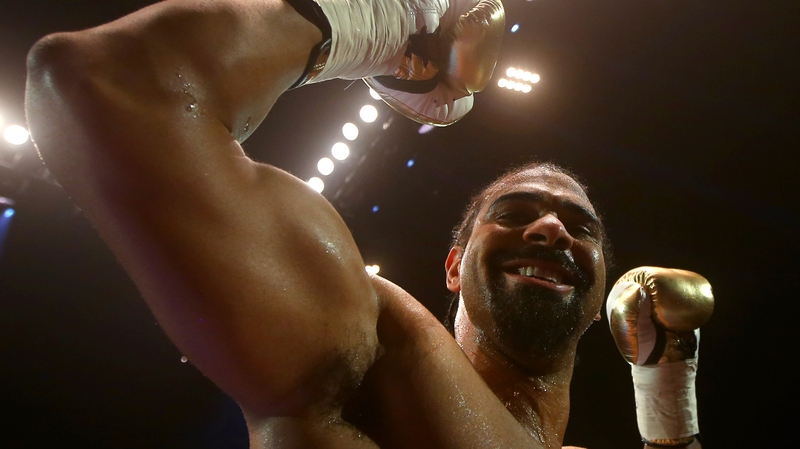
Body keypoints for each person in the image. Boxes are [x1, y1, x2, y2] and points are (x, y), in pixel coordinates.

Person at [24, 0, 709, 447]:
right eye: (515, 213)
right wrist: (378, 27)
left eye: (579, 227)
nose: (553, 229)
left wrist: (665, 390)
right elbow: (104, 84)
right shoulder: (377, 355)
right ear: (453, 265)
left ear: (600, 300)